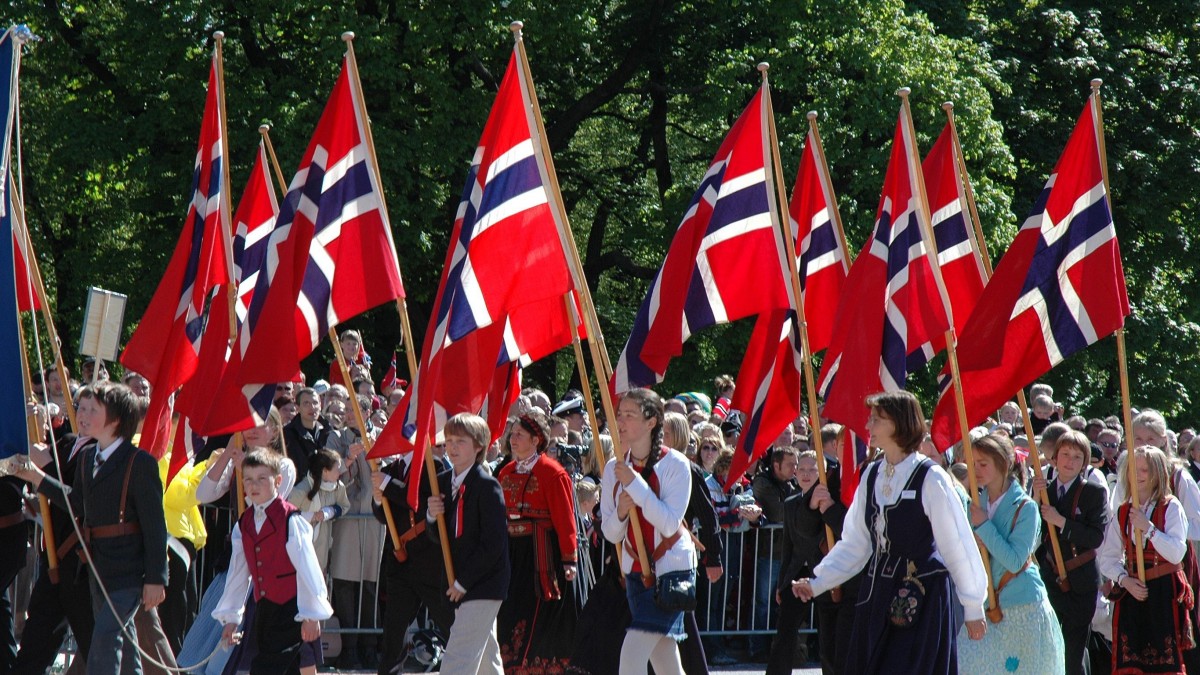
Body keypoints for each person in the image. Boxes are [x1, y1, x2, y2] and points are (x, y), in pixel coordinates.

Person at [795, 391, 988, 673]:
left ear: (899, 423)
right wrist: (817, 581)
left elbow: (956, 544)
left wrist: (973, 606)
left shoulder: (930, 477)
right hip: (878, 593)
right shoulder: (871, 475)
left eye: (876, 420)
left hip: (920, 595)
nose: (868, 427)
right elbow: (855, 543)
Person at [18, 381, 169, 674]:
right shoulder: (88, 458)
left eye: (94, 410)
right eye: (82, 408)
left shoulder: (140, 463)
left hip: (127, 571)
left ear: (115, 420)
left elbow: (155, 525)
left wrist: (156, 578)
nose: (83, 415)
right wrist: (37, 478)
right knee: (124, 651)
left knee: (105, 641)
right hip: (95, 568)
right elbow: (76, 503)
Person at [601, 388, 695, 675]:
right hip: (635, 572)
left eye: (630, 415)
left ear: (651, 422)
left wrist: (636, 486)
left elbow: (668, 524)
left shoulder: (676, 465)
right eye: (620, 415)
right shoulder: (612, 469)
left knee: (632, 654)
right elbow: (611, 534)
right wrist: (619, 511)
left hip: (670, 572)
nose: (622, 421)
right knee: (665, 659)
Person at [215, 449, 334, 674]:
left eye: (262, 479)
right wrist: (231, 617)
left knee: (264, 669)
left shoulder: (291, 519)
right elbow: (239, 573)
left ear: (278, 481)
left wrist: (311, 615)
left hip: (292, 608)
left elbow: (308, 569)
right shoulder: (244, 523)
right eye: (248, 479)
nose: (254, 485)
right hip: (264, 609)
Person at [957, 433, 1064, 673]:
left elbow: (1015, 561)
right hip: (983, 606)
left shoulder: (1026, 508)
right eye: (972, 464)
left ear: (1003, 464)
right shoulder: (973, 503)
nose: (975, 470)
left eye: (983, 464)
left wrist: (984, 527)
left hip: (1022, 605)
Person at [425, 413, 511, 675]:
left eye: (460, 441)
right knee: (486, 660)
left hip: (483, 582)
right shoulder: (440, 482)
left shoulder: (487, 486)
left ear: (478, 447)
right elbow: (438, 537)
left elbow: (494, 544)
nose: (452, 447)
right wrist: (431, 516)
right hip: (457, 579)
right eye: (448, 440)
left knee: (458, 656)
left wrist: (464, 582)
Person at [495, 411, 580, 670]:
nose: (513, 439)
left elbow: (565, 519)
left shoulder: (552, 473)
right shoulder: (505, 472)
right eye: (513, 434)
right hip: (512, 553)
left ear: (536, 440)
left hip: (542, 556)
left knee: (538, 613)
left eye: (520, 434)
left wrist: (569, 559)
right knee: (510, 611)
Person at [1098, 446, 1193, 673]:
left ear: (1157, 474)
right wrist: (1124, 580)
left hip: (1163, 591)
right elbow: (1107, 558)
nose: (1138, 475)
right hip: (1133, 591)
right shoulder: (1123, 511)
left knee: (1165, 660)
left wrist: (1148, 529)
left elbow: (1176, 553)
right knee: (1130, 659)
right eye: (1133, 469)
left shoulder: (1170, 507)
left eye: (1145, 470)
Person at [371, 438, 454, 674]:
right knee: (394, 631)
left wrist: (387, 485)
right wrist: (378, 498)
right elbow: (382, 515)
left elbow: (418, 500)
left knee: (450, 624)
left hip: (429, 562)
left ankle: (472, 667)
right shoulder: (388, 471)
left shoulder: (434, 466)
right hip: (400, 562)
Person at [1034, 430, 1109, 675]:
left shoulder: (1094, 493)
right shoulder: (1044, 490)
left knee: (1073, 650)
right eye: (1065, 454)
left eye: (1077, 457)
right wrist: (1034, 499)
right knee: (1049, 645)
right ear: (1054, 458)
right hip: (1050, 577)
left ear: (1085, 462)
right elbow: (1032, 532)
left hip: (1081, 580)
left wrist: (1062, 522)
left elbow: (1095, 537)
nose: (1070, 461)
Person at [288, 448, 350, 575]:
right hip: (300, 546)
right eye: (337, 469)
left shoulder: (338, 488)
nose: (340, 472)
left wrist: (329, 512)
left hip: (322, 546)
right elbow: (286, 515)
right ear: (325, 471)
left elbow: (344, 506)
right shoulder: (300, 490)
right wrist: (310, 516)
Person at [283, 387, 329, 477]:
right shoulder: (287, 434)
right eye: (306, 404)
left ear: (320, 405)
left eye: (315, 403)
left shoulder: (328, 431)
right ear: (297, 408)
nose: (312, 407)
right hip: (298, 487)